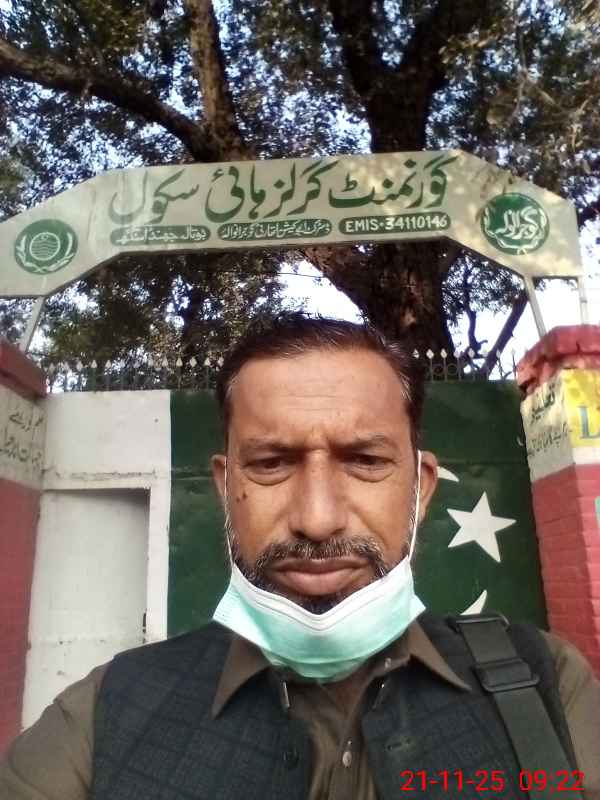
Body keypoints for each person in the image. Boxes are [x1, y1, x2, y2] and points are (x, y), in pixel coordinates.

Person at [1, 311, 599, 800]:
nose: (317, 519)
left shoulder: (546, 685)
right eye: (270, 463)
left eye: (365, 461)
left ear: (420, 490)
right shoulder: (105, 714)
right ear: (225, 488)